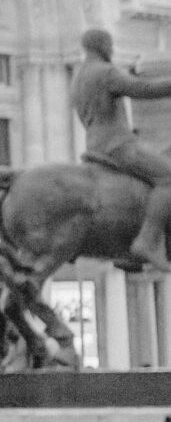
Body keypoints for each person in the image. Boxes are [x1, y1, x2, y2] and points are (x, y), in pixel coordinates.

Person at [71, 26, 171, 272]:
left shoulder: (79, 75)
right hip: (117, 144)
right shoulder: (104, 72)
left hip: (95, 143)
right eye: (110, 44)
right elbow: (143, 90)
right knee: (167, 177)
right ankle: (147, 240)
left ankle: (128, 245)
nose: (113, 49)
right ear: (101, 45)